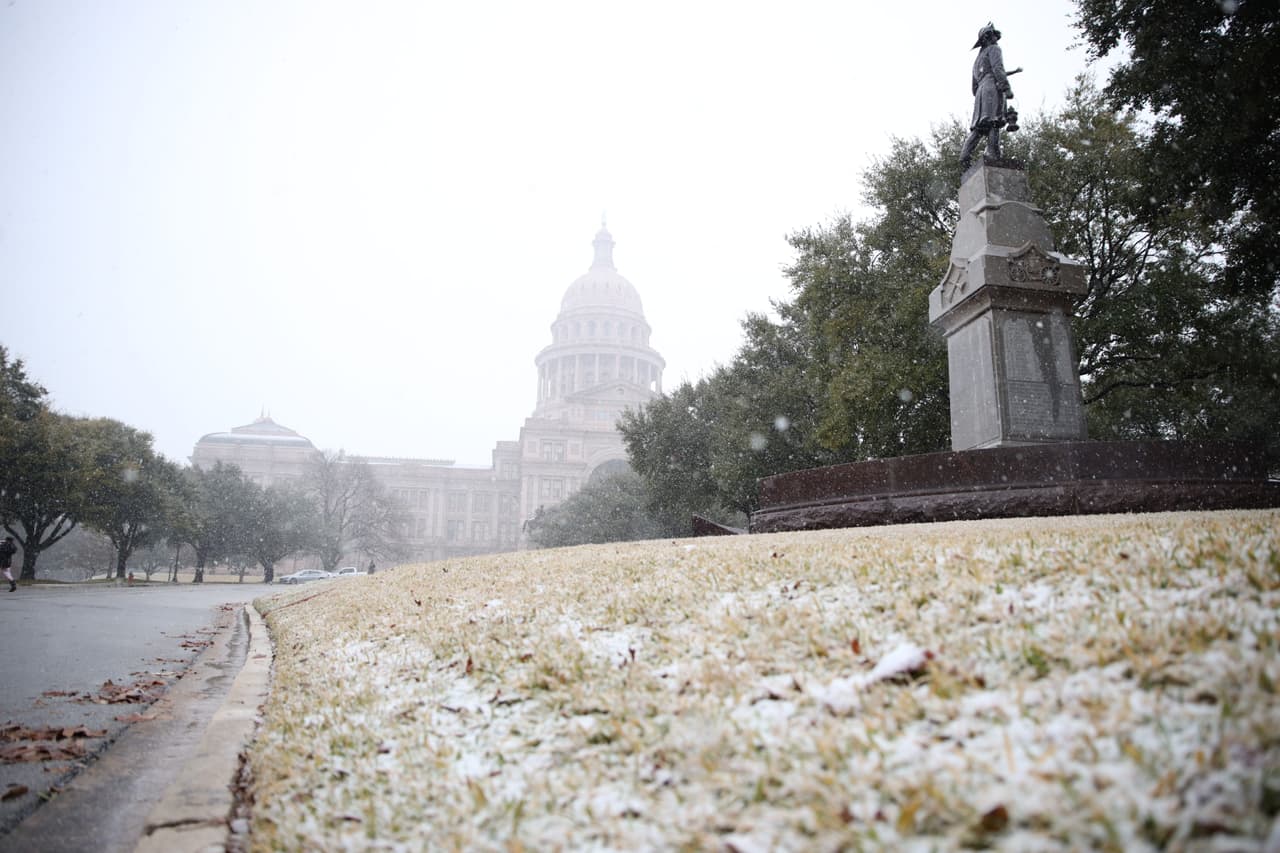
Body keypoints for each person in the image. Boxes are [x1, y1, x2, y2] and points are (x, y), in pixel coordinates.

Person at [959, 23, 1015, 169]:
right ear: (988, 38)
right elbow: (998, 68)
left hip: (980, 93)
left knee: (979, 126)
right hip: (992, 87)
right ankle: (994, 156)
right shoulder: (994, 49)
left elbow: (973, 87)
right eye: (994, 36)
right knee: (994, 122)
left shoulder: (977, 61)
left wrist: (982, 92)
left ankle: (965, 155)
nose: (996, 38)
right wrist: (1006, 88)